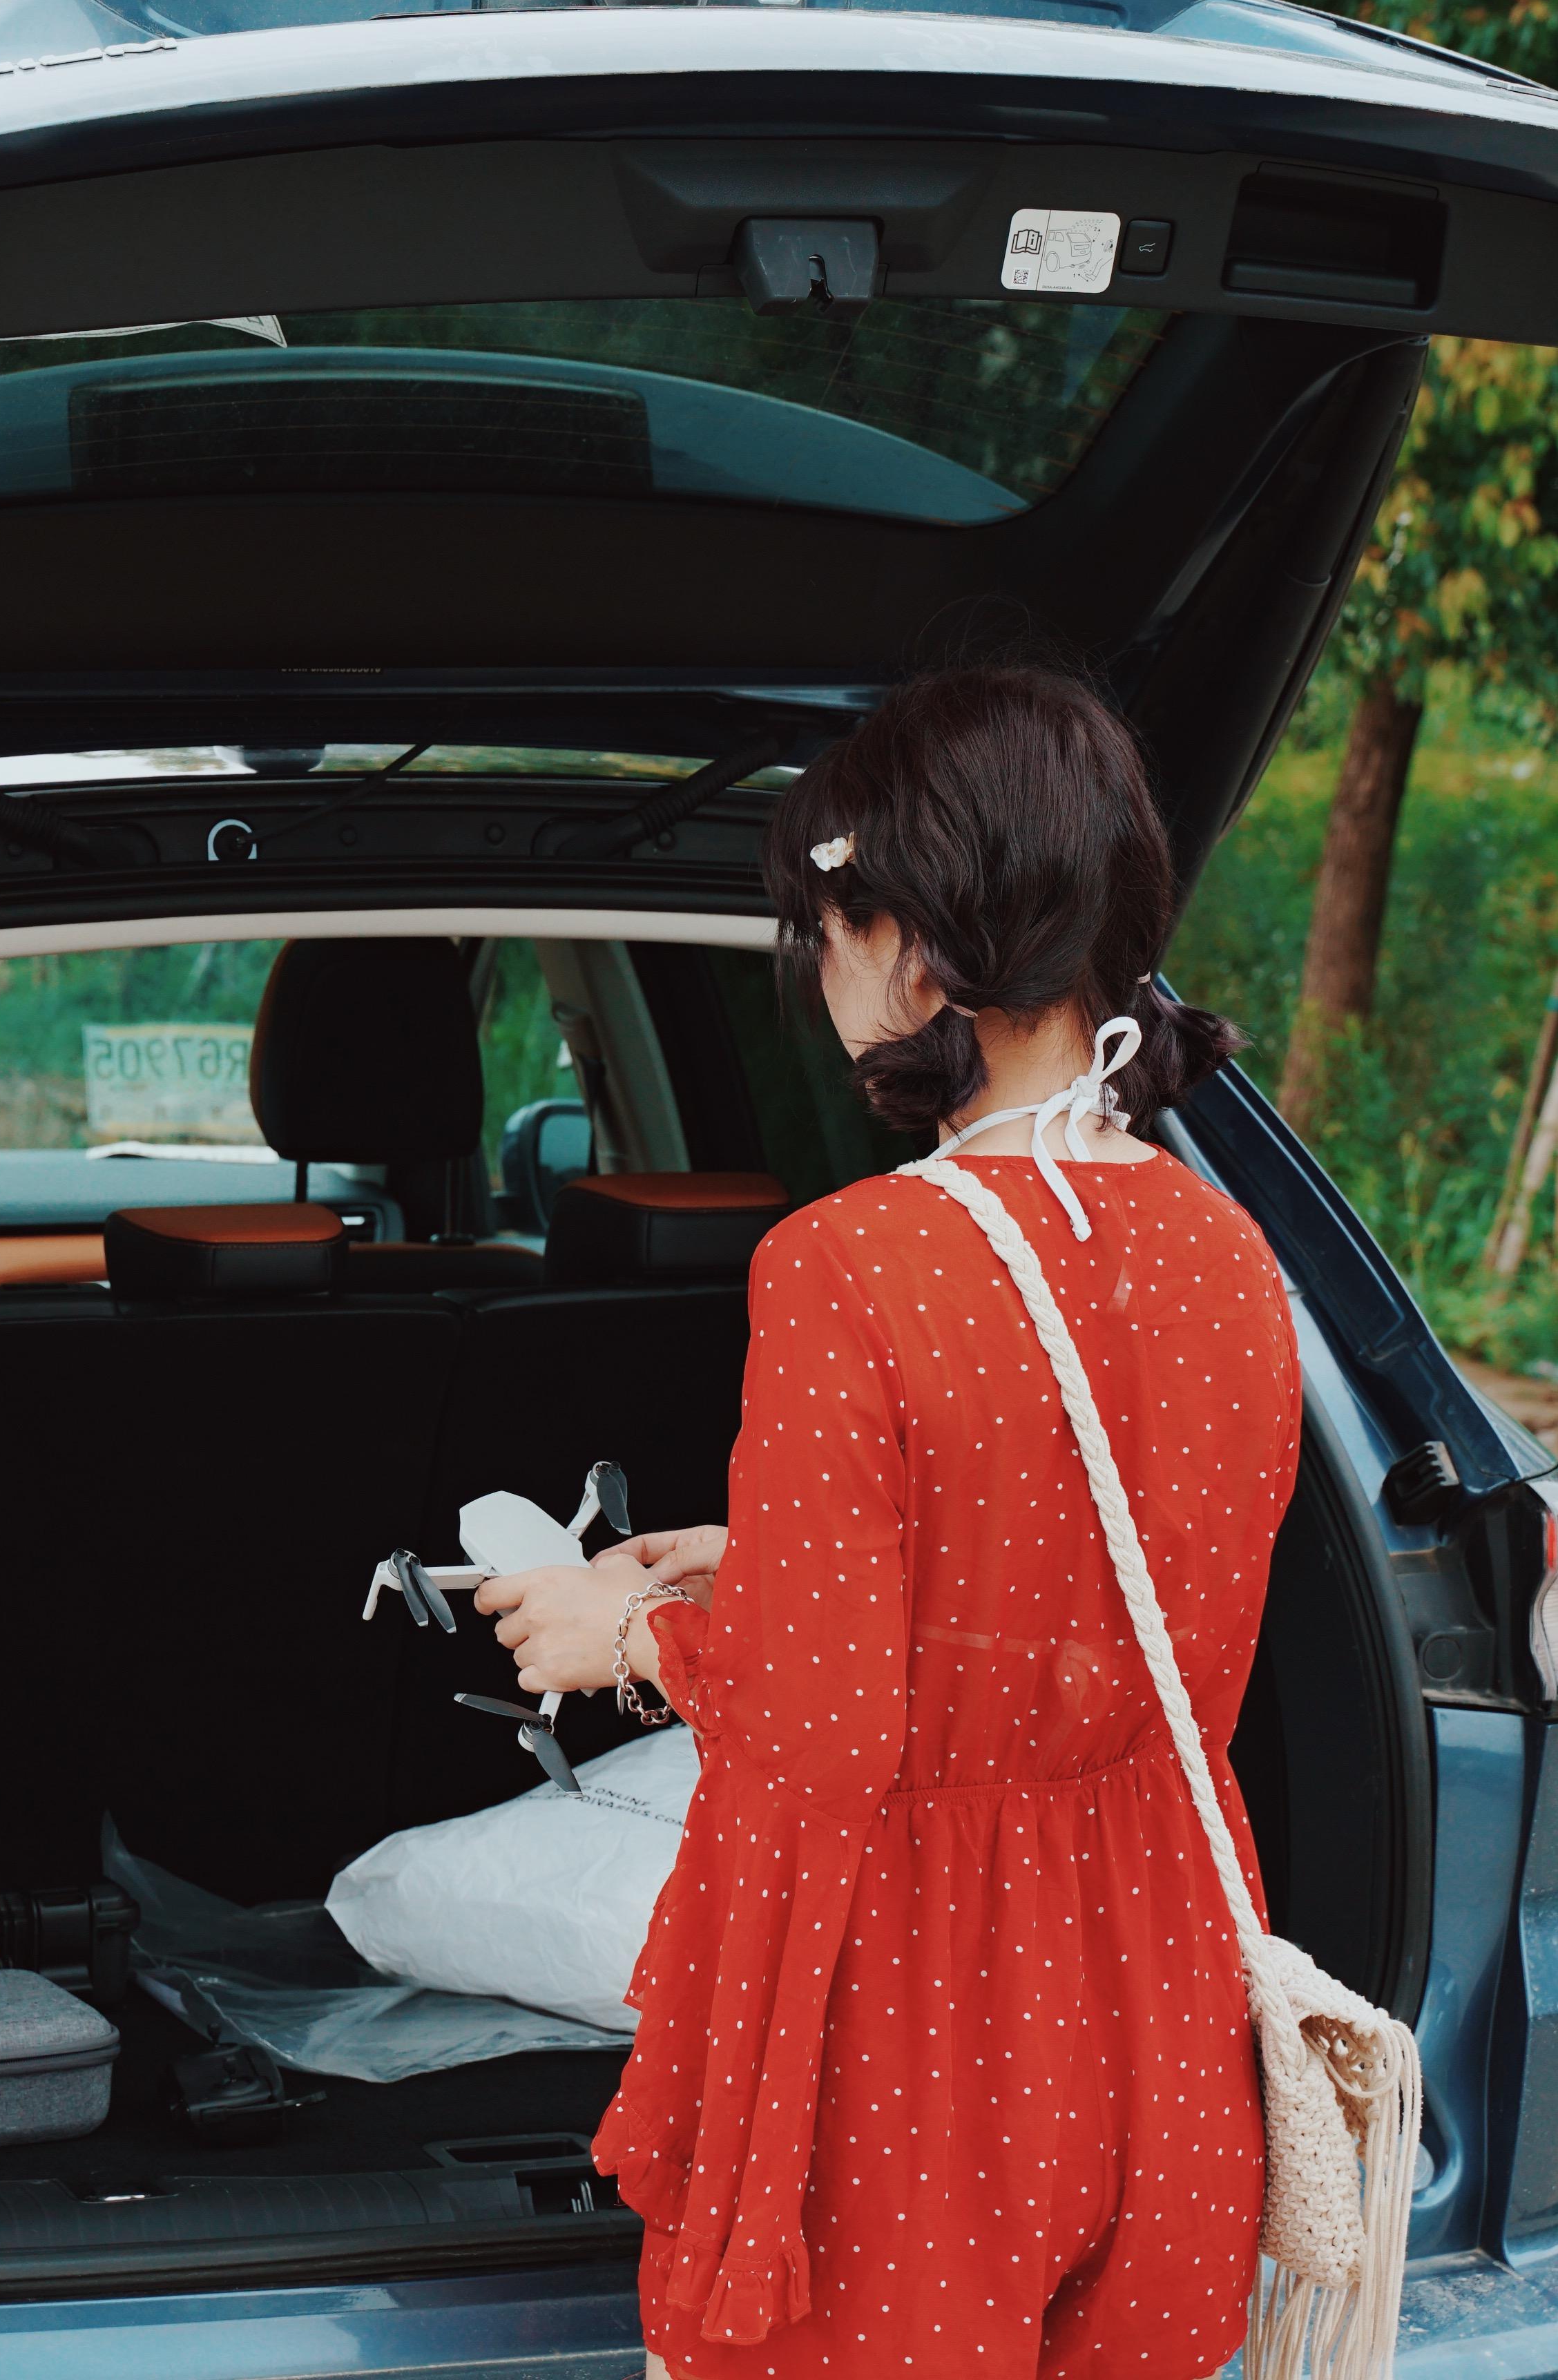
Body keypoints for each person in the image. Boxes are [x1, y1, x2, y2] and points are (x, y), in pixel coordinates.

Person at [474, 665, 1293, 2379]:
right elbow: (1105, 1591)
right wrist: (760, 1557)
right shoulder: (1226, 1253)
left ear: (916, 937)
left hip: (925, 2039)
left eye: (822, 921)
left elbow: (831, 1729)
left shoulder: (853, 1263)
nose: (816, 968)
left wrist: (616, 1630)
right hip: (1162, 1998)